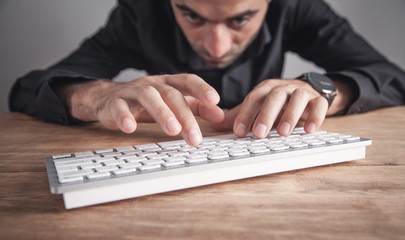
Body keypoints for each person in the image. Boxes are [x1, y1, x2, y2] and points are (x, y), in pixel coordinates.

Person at [9, 0, 405, 146]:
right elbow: (28, 89)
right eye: (191, 15)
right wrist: (95, 97)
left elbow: (391, 76)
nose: (216, 47)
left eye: (241, 19)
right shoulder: (141, 12)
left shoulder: (296, 6)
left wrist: (326, 90)